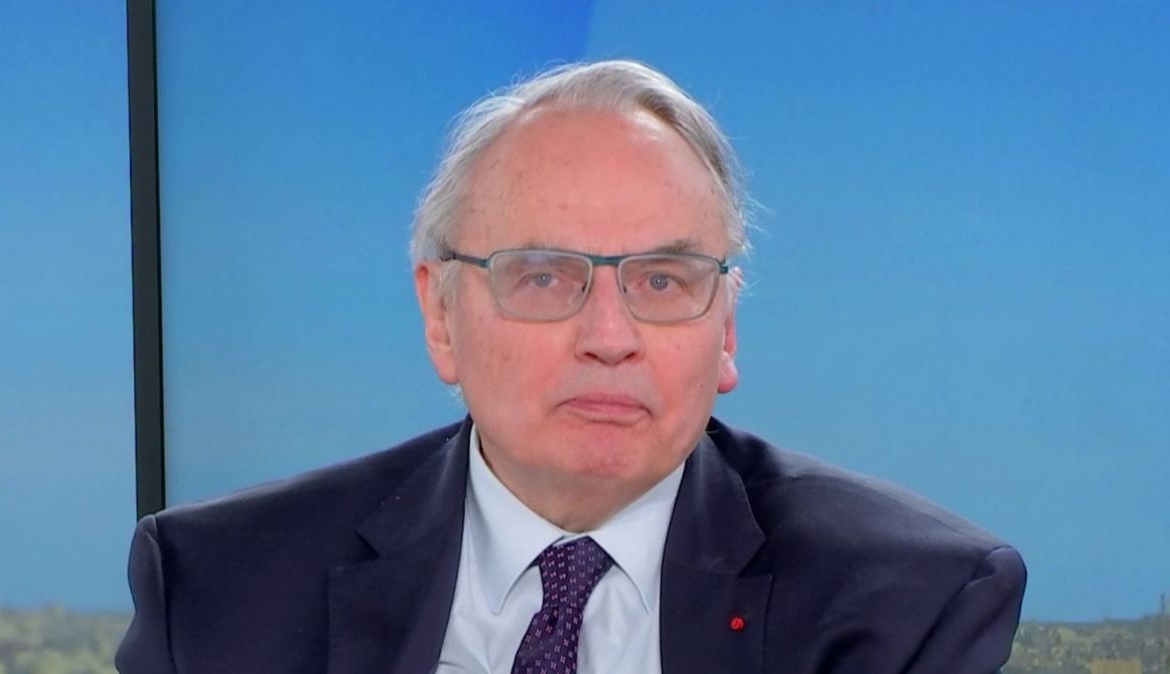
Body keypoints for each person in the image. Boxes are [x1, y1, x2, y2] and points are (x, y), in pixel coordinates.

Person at [116, 60, 1026, 674]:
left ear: (727, 330)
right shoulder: (218, 590)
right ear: (441, 315)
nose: (610, 335)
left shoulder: (907, 606)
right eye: (545, 277)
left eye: (663, 280)